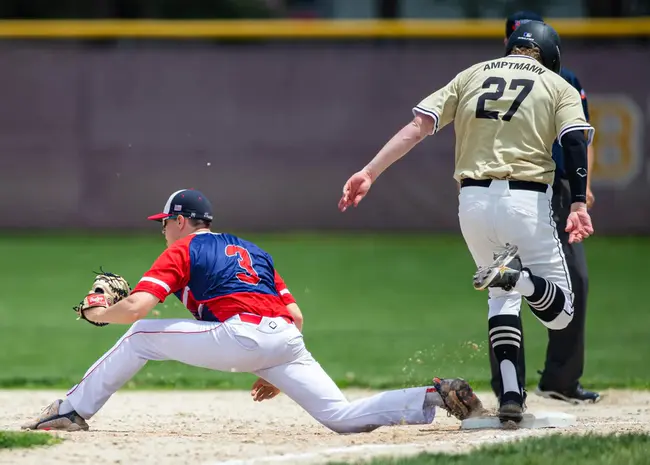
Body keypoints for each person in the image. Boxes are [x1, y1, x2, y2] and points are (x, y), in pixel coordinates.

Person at [22, 188, 484, 432]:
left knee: (141, 335)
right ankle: (433, 394)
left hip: (243, 336)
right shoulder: (251, 250)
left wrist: (97, 314)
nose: (163, 231)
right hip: (284, 338)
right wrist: (272, 364)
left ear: (181, 221)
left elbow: (140, 308)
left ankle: (70, 409)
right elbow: (296, 315)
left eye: (165, 223)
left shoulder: (182, 249)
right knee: (342, 418)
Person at [338, 21, 594, 424]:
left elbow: (418, 127)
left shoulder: (473, 73)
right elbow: (576, 141)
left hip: (472, 203)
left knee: (499, 301)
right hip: (526, 200)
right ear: (551, 53)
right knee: (560, 313)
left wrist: (370, 172)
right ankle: (519, 278)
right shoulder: (556, 83)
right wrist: (578, 202)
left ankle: (511, 396)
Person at [485, 11, 600, 406]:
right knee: (506, 287)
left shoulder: (564, 81)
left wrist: (585, 189)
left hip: (560, 189)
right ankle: (508, 387)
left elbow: (580, 136)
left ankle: (560, 379)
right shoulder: (490, 81)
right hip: (516, 189)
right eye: (518, 38)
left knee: (575, 282)